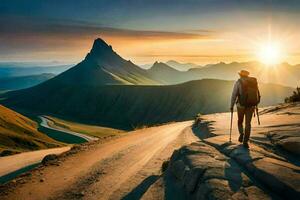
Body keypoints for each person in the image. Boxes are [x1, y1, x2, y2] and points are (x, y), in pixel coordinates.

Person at [230, 70, 260, 148]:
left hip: (241, 105)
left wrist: (231, 105)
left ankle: (241, 134)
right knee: (248, 123)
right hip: (251, 105)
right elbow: (257, 93)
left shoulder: (239, 82)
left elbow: (234, 94)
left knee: (240, 121)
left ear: (240, 75)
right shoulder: (253, 81)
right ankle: (245, 141)